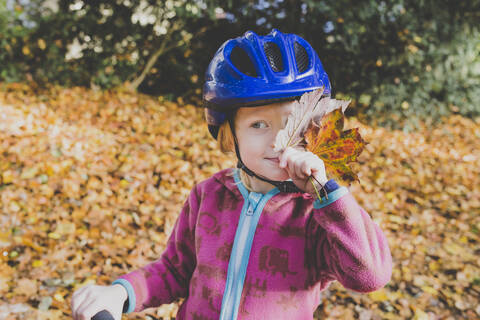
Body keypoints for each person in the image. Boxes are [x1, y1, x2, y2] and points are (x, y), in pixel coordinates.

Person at [71, 29, 392, 320]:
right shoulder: (208, 195)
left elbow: (369, 275)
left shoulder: (315, 212)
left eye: (293, 124)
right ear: (229, 135)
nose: (278, 140)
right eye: (258, 125)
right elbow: (174, 270)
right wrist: (121, 292)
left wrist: (325, 192)